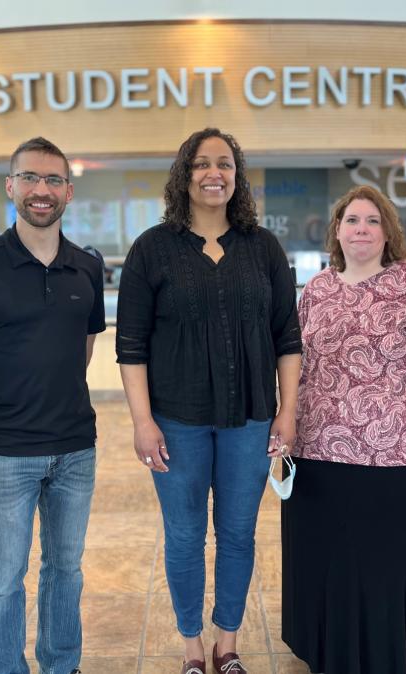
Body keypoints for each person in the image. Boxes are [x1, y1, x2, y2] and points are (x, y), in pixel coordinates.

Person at [116, 128, 302, 674]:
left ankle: (228, 643)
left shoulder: (263, 247)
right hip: (177, 420)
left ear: (237, 175)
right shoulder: (152, 248)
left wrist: (287, 411)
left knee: (239, 532)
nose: (213, 173)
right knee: (185, 534)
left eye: (224, 163)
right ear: (184, 174)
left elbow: (287, 337)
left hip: (250, 418)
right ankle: (192, 647)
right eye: (201, 164)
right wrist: (142, 421)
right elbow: (130, 345)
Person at [282, 185, 406, 674]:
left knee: (392, 565)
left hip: (402, 455)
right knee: (334, 563)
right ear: (337, 231)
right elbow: (296, 365)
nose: (361, 229)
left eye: (371, 220)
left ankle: (397, 655)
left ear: (388, 231)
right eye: (351, 220)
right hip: (320, 452)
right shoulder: (318, 288)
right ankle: (333, 651)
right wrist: (283, 429)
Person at [0, 137, 105, 674]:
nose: (41, 190)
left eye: (53, 180)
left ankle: (62, 665)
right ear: (10, 187)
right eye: (30, 178)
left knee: (66, 570)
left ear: (68, 192)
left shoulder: (86, 267)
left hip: (76, 449)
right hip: (5, 455)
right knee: (3, 579)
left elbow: (83, 346)